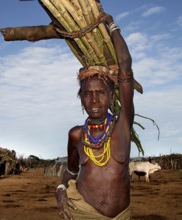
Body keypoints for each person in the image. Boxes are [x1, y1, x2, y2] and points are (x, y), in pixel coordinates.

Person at [55, 11, 134, 220]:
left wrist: (111, 24)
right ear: (81, 98)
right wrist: (61, 190)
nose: (94, 100)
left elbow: (125, 65)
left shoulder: (123, 126)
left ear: (110, 95)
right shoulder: (76, 135)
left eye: (100, 93)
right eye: (88, 94)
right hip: (82, 213)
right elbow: (71, 172)